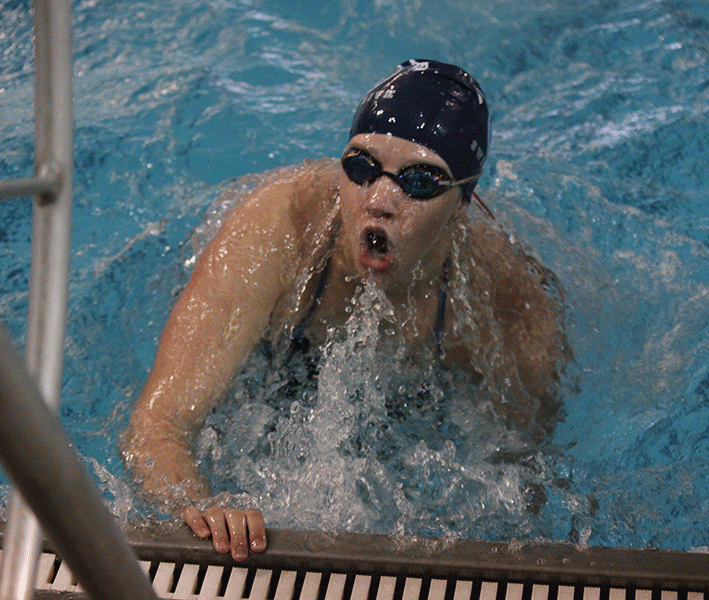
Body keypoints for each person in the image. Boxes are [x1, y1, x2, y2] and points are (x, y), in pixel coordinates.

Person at [122, 59, 568, 562]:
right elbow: (157, 426)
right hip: (275, 354)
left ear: (463, 199)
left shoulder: (506, 304)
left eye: (419, 181)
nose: (378, 200)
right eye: (360, 167)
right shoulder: (275, 231)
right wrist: (200, 506)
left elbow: (531, 475)